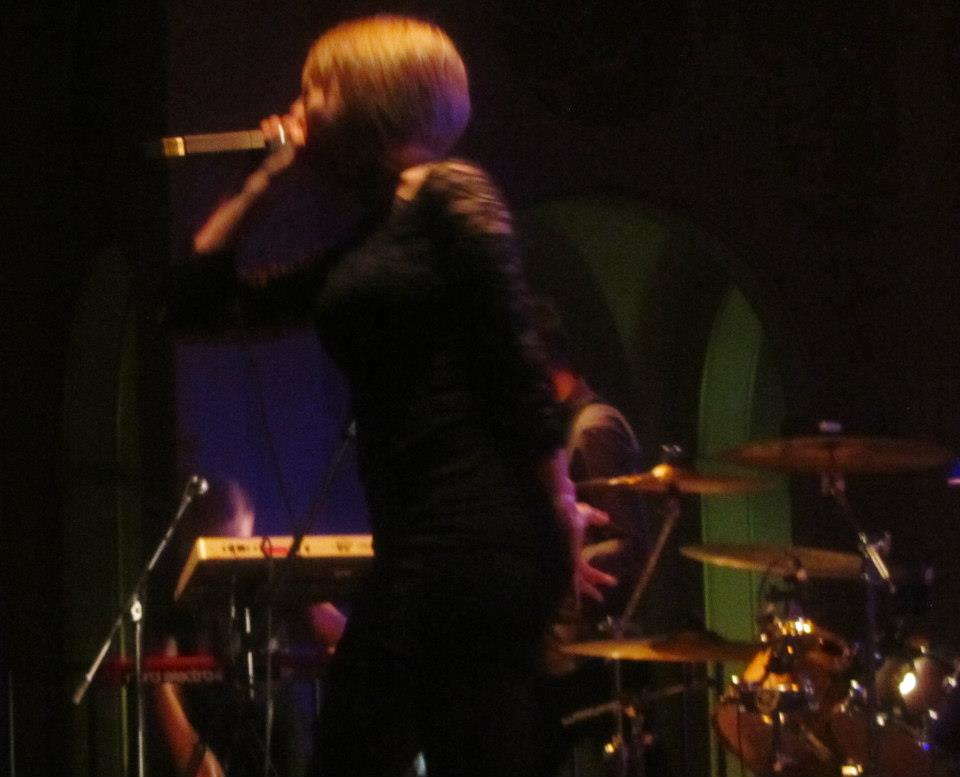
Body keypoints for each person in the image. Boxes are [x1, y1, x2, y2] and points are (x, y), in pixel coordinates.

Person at [177, 15, 613, 777]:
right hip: (416, 540)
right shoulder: (372, 236)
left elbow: (513, 354)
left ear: (370, 97)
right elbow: (198, 305)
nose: (298, 106)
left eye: (315, 88)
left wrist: (559, 503)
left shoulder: (451, 189)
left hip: (477, 533)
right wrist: (266, 179)